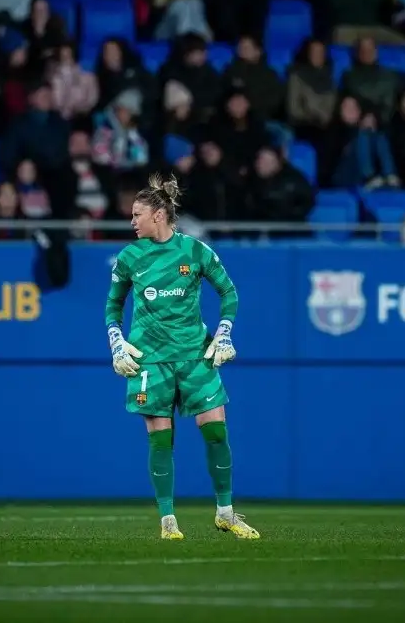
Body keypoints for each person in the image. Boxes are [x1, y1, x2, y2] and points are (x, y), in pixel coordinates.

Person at [103, 173, 259, 541]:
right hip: (150, 360)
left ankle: (226, 514)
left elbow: (230, 293)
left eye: (137, 214)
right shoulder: (129, 257)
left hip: (195, 356)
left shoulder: (196, 251)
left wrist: (223, 334)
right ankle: (168, 522)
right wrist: (116, 341)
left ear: (158, 215)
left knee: (217, 433)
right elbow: (113, 305)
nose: (131, 221)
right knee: (160, 439)